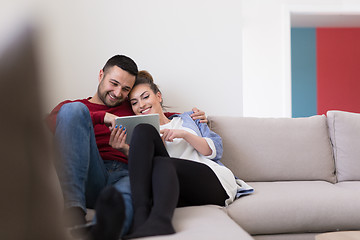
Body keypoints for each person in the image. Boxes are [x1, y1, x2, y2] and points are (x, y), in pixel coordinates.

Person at [47, 55, 207, 240]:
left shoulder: (130, 107)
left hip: (128, 172)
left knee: (130, 190)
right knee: (74, 110)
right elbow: (50, 124)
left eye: (125, 89)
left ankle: (105, 230)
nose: (117, 93)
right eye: (113, 83)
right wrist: (102, 117)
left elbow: (159, 116)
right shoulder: (75, 107)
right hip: (91, 173)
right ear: (101, 75)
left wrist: (192, 117)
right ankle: (74, 210)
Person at [109, 70, 241, 239]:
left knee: (163, 163)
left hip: (212, 182)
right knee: (145, 132)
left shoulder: (188, 119)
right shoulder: (142, 136)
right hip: (173, 188)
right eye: (134, 102)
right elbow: (145, 172)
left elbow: (214, 150)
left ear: (158, 96)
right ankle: (141, 217)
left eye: (145, 97)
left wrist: (184, 134)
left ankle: (159, 222)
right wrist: (125, 150)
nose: (141, 105)